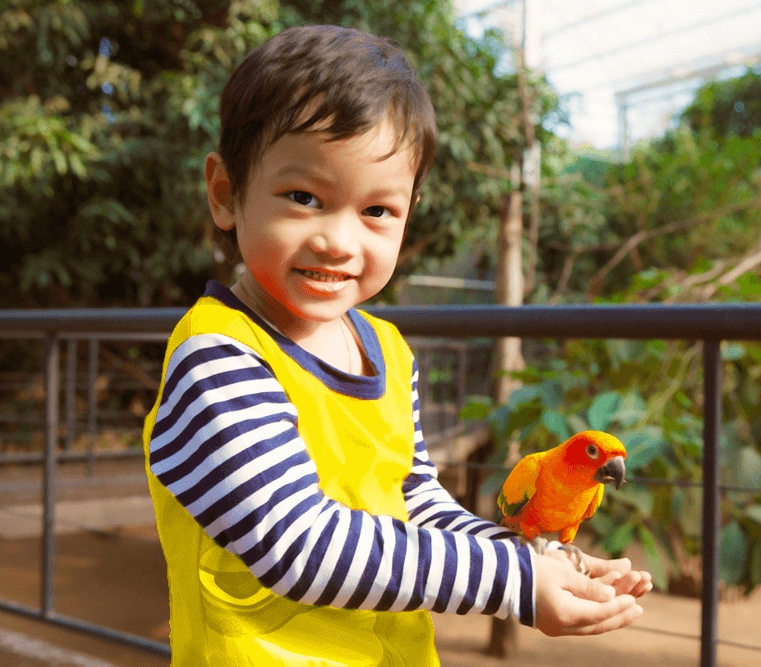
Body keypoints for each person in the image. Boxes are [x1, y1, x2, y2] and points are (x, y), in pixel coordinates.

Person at [142, 24, 651, 666]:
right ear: (225, 193)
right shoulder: (218, 357)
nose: (339, 240)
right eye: (303, 197)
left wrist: (533, 557)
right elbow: (299, 546)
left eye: (377, 211)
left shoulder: (385, 347)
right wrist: (513, 585)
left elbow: (414, 498)